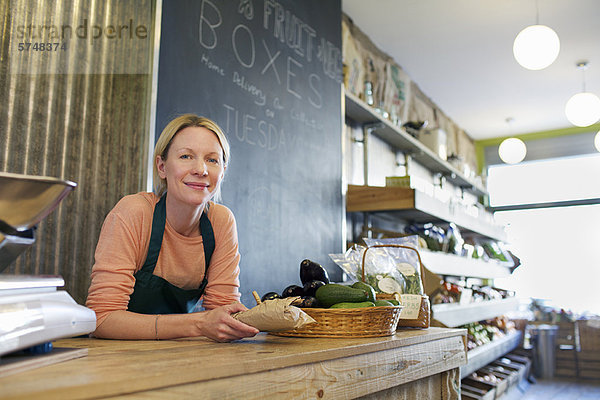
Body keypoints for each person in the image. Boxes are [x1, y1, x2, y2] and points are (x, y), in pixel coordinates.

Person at [86, 114, 259, 342]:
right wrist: (198, 324)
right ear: (162, 167)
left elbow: (222, 310)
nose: (201, 169)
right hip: (115, 360)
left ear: (223, 171)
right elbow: (101, 319)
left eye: (212, 160)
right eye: (186, 156)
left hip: (177, 355)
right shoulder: (134, 213)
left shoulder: (221, 222)